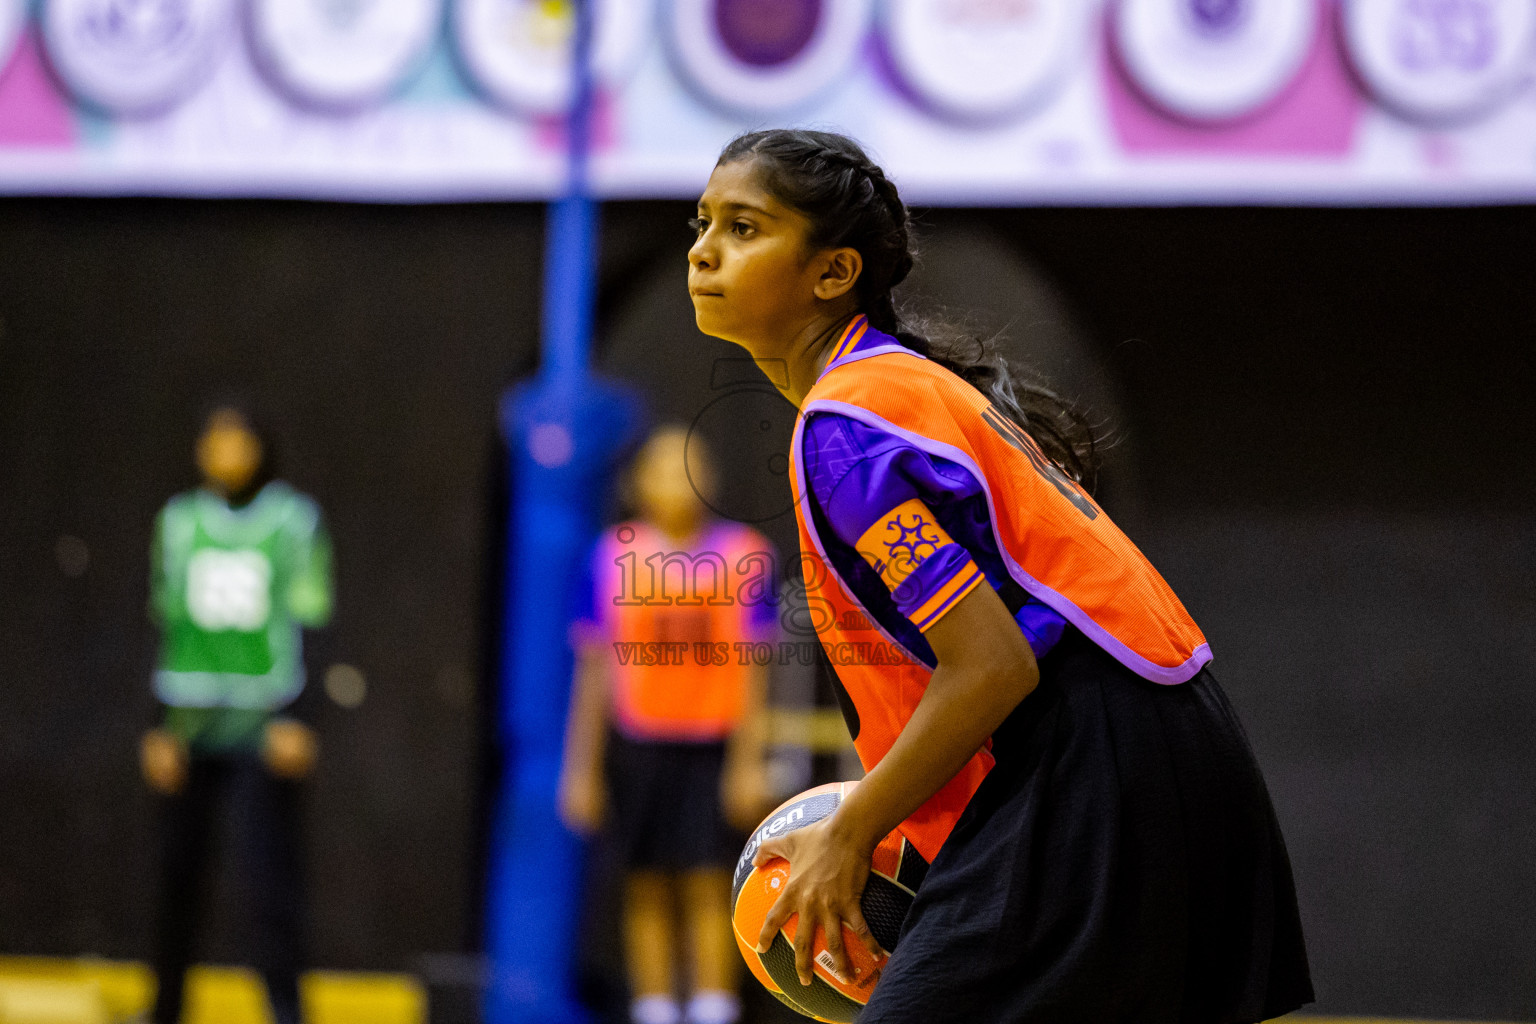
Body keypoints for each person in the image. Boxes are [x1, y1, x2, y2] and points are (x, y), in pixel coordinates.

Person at [685, 129, 1313, 1024]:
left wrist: (852, 832)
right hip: (1160, 745)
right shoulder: (891, 391)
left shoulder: (850, 422)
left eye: (745, 227)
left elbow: (993, 665)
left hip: (1103, 765)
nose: (704, 248)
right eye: (703, 221)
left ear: (832, 274)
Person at [558, 426, 778, 1024]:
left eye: (693, 464)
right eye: (663, 466)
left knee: (712, 882)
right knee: (645, 882)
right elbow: (594, 670)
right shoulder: (610, 557)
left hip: (713, 746)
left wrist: (747, 759)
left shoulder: (746, 555)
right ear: (638, 484)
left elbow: (755, 670)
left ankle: (713, 1008)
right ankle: (654, 1007)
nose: (681, 477)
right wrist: (579, 769)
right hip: (638, 747)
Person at [140, 406, 333, 1024]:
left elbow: (314, 615)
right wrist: (157, 724)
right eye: (214, 438)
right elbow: (161, 620)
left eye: (238, 437)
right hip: (191, 722)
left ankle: (284, 1007)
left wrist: (302, 716)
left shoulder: (291, 520)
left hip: (261, 721)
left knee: (269, 879)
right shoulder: (178, 522)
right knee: (175, 876)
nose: (226, 450)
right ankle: (165, 1007)